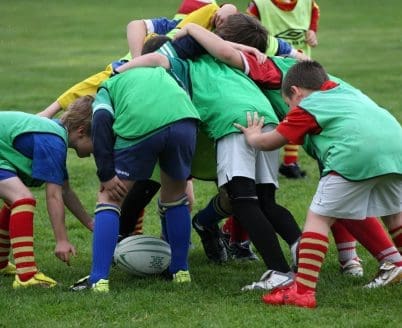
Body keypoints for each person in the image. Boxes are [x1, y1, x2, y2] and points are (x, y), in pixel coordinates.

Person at [173, 22, 402, 285]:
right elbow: (299, 55)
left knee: (332, 201)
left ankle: (386, 261)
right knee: (376, 204)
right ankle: (354, 259)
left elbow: (226, 53)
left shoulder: (269, 68)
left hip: (346, 138)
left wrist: (192, 27)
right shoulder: (300, 70)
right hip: (378, 128)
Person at [117, 13, 302, 291]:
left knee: (242, 200)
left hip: (233, 123)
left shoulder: (184, 63)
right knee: (266, 200)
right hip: (265, 120)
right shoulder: (236, 63)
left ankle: (278, 271)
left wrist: (122, 70)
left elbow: (157, 60)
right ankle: (304, 250)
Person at [235, 60, 402, 308]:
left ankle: (303, 291)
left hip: (354, 154)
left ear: (295, 92)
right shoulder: (345, 90)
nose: (290, 108)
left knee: (319, 217)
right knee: (395, 217)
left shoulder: (307, 106)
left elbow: (271, 142)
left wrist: (253, 137)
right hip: (395, 150)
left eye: (288, 103)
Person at [69, 64, 200, 292]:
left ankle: (98, 279)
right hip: (185, 120)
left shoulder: (107, 88)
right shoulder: (162, 74)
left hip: (143, 122)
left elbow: (100, 120)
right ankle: (180, 271)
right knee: (174, 197)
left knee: (109, 198)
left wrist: (106, 173)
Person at [0, 103, 93, 288]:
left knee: (15, 200)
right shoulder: (53, 141)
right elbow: (54, 196)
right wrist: (62, 240)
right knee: (22, 199)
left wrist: (91, 223)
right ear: (81, 131)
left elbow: (65, 190)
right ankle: (26, 276)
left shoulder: (55, 134)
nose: (97, 151)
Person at [247, 0, 320, 179]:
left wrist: (312, 31)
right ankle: (258, 158)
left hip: (300, 67)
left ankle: (290, 162)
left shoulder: (306, 2)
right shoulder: (259, 4)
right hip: (270, 68)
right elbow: (246, 27)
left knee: (296, 112)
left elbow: (314, 11)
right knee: (270, 114)